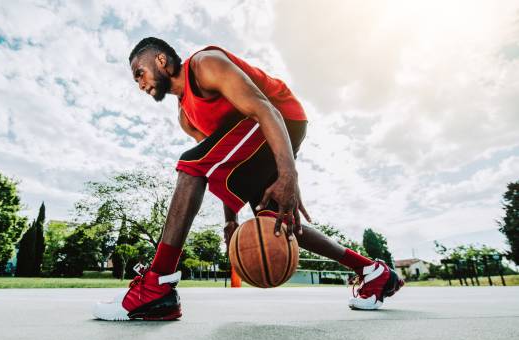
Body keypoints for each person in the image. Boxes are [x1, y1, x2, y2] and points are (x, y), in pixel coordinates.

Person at [93, 37, 403, 321]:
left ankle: (156, 286)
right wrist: (231, 221)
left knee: (190, 164)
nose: (140, 83)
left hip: (281, 117)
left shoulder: (205, 65)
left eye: (139, 73)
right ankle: (372, 271)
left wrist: (288, 175)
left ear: (161, 61)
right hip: (256, 139)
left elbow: (265, 110)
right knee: (279, 222)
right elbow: (223, 171)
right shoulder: (186, 116)